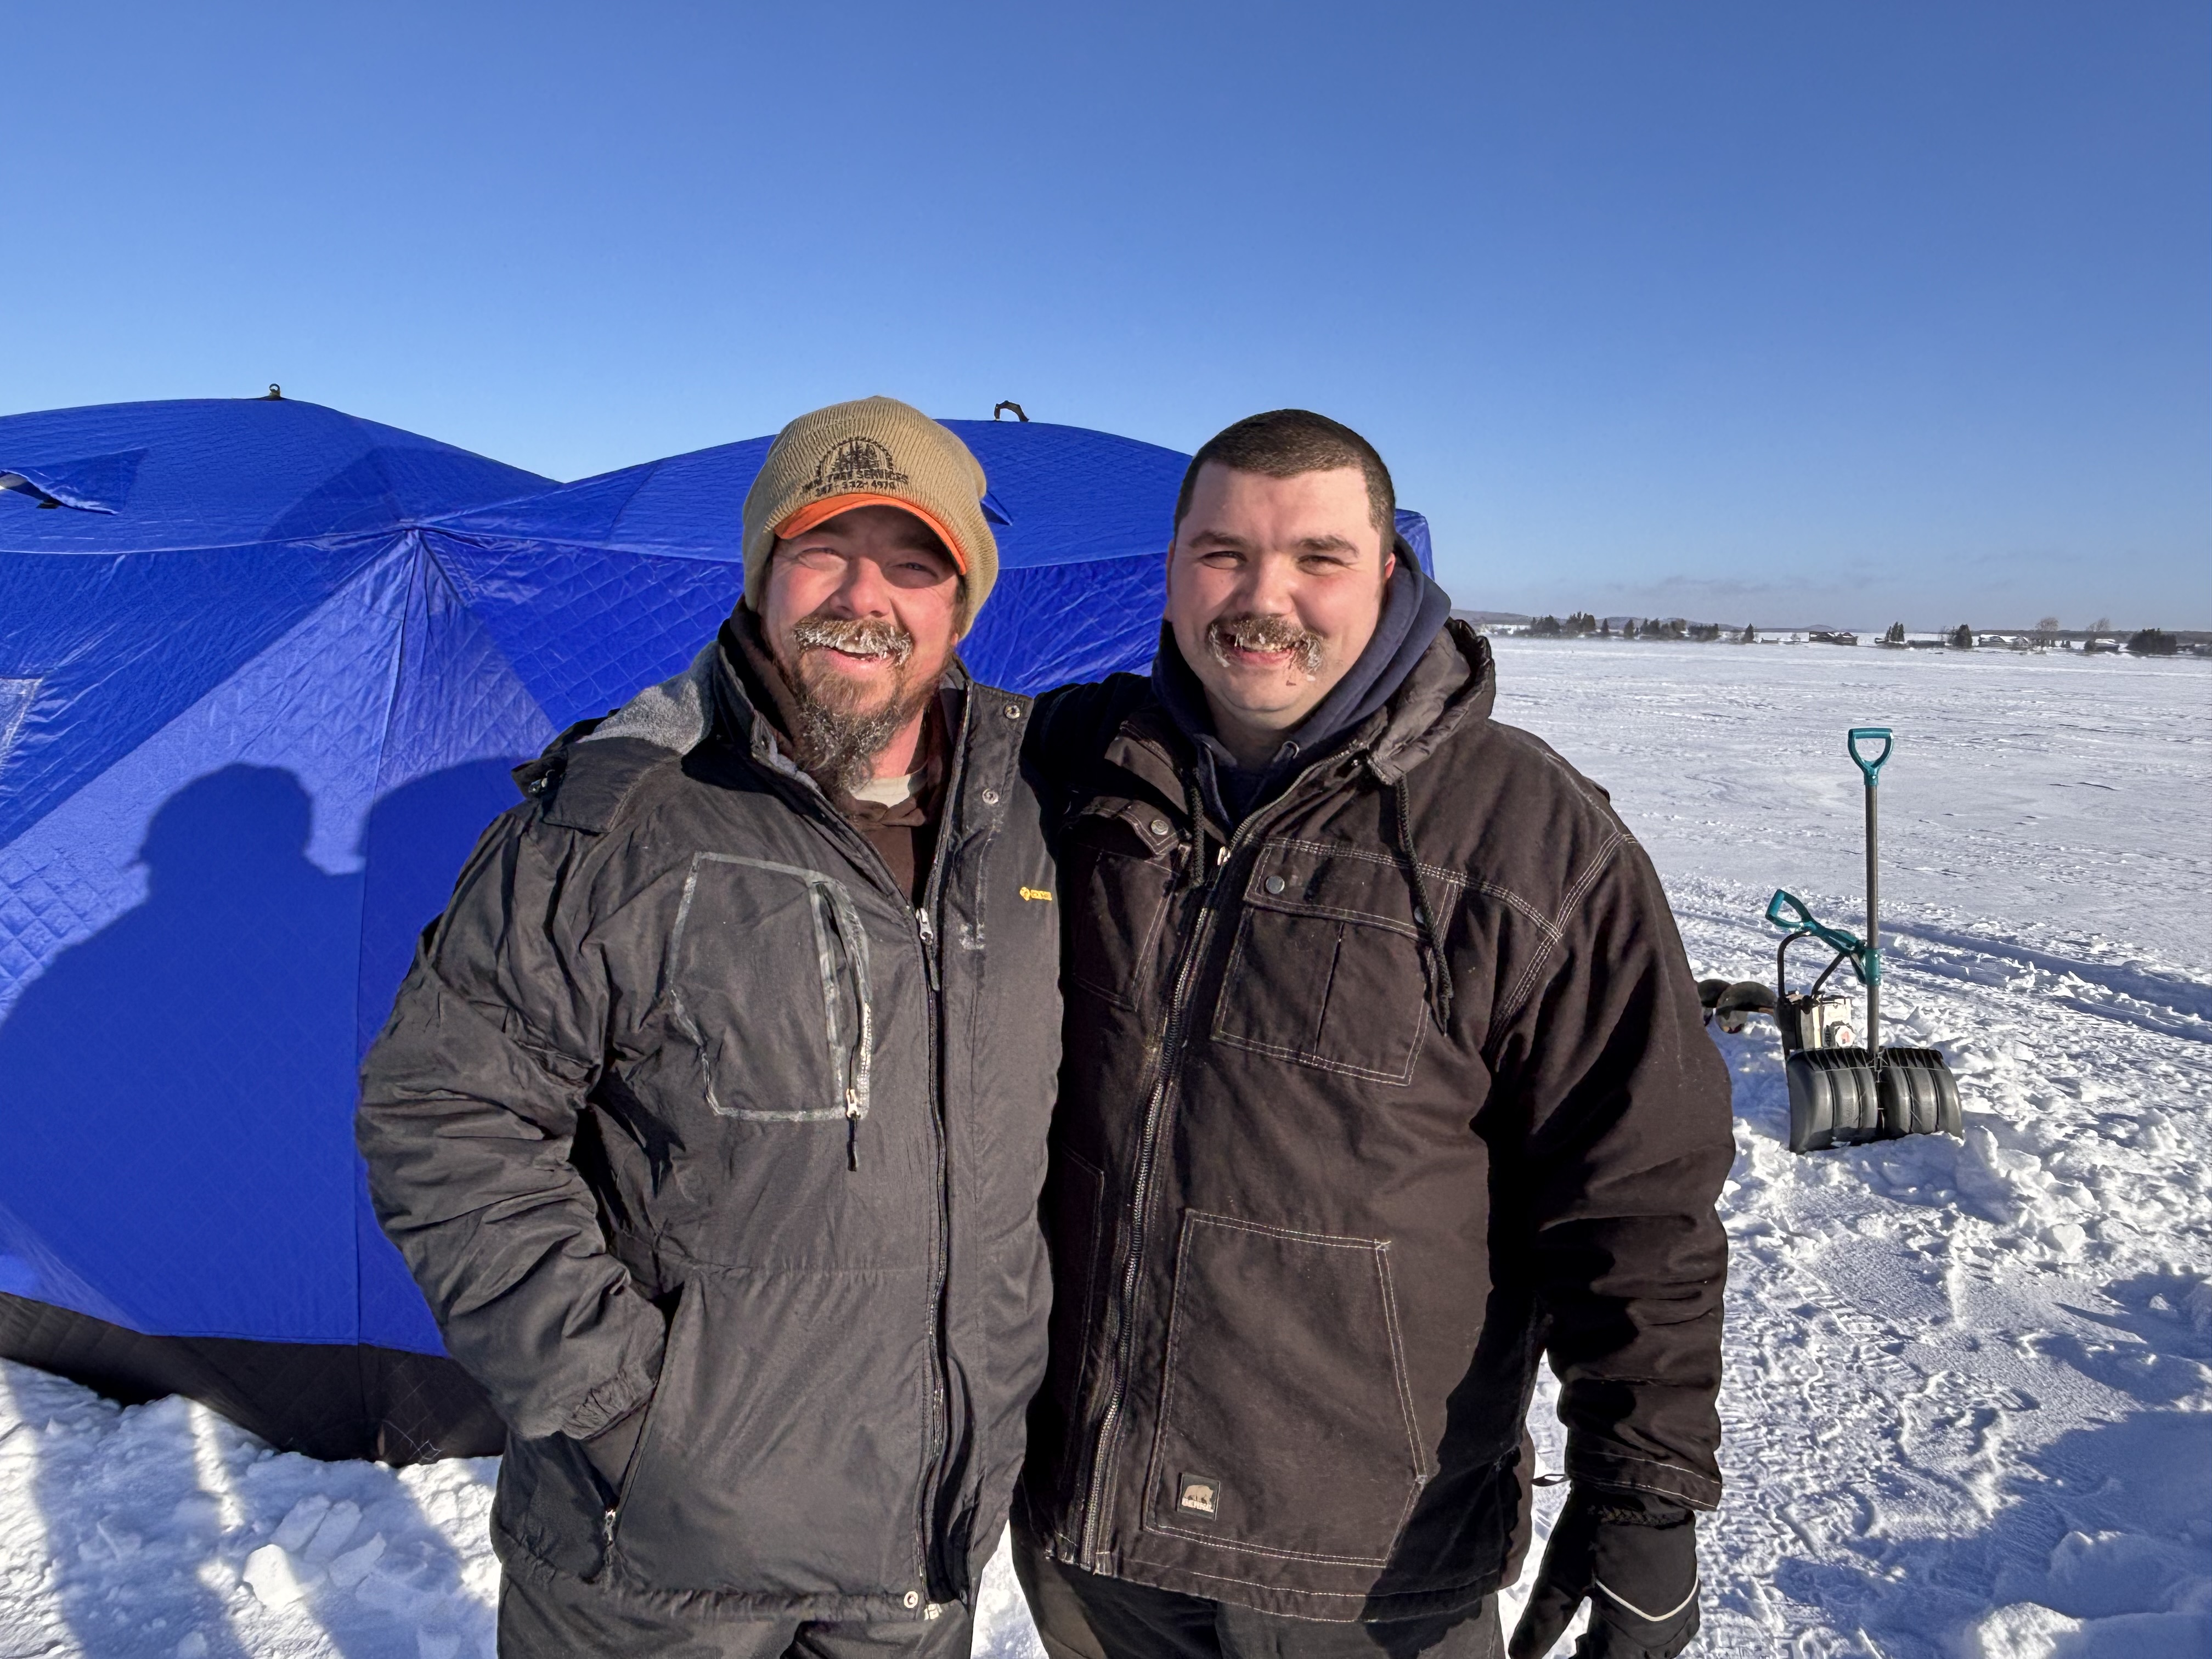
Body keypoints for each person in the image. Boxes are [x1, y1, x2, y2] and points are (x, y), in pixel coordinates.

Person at [1013, 410, 1732, 1658]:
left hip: (1364, 1570)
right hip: (1092, 1527)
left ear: (1388, 571)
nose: (1264, 598)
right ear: (1172, 568)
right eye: (1224, 554)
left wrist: (1645, 1494)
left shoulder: (1530, 838)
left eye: (1318, 559)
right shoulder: (1076, 766)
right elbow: (848, 718)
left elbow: (1638, 1191)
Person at [358, 397, 1063, 1658]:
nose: (864, 597)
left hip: (916, 1552)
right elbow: (443, 1111)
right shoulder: (616, 820)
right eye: (823, 551)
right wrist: (619, 1409)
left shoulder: (1031, 826)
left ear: (962, 605)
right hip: (657, 1561)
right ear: (760, 577)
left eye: (913, 563)